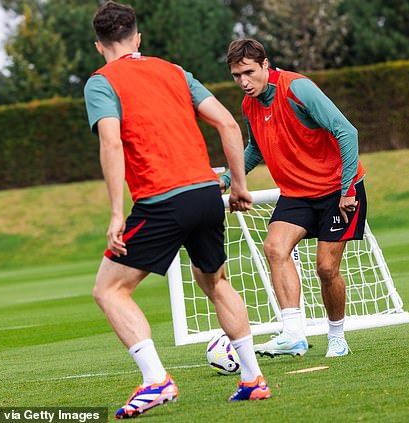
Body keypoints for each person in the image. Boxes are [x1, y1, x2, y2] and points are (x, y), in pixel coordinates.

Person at [84, 3, 271, 418]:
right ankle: (253, 379)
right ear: (138, 38)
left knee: (109, 289)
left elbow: (111, 144)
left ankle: (156, 381)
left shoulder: (100, 83)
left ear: (100, 46)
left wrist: (117, 214)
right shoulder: (174, 71)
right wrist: (238, 184)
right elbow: (226, 124)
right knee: (216, 281)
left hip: (161, 199)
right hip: (205, 192)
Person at [220, 39, 366, 358]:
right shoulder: (250, 105)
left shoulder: (298, 89)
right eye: (235, 75)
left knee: (326, 269)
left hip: (337, 190)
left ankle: (337, 336)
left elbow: (347, 131)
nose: (243, 81)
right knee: (274, 248)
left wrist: (348, 189)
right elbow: (255, 149)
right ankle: (293, 334)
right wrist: (228, 178)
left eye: (248, 72)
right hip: (297, 194)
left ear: (265, 65)